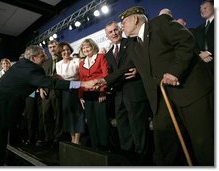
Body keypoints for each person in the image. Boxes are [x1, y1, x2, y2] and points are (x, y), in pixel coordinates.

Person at [98, 6, 213, 166]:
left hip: (190, 91)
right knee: (163, 143)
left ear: (135, 19)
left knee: (203, 142)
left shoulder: (160, 23)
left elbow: (186, 41)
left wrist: (175, 71)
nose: (121, 26)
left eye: (123, 22)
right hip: (163, 98)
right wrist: (104, 81)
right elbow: (125, 68)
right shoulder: (133, 44)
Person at [0, 45, 97, 165]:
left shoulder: (22, 64)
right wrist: (82, 84)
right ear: (33, 58)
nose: (45, 57)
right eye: (42, 55)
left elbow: (32, 79)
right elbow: (53, 84)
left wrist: (51, 78)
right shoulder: (33, 70)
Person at [104, 21, 152, 156]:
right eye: (110, 32)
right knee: (123, 130)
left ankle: (141, 160)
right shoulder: (108, 55)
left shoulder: (132, 42)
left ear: (120, 30)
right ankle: (127, 158)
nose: (114, 33)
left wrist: (137, 69)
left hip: (135, 93)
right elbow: (112, 74)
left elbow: (130, 65)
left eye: (115, 30)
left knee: (139, 129)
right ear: (107, 36)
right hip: (119, 96)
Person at [79, 38, 110, 150]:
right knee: (91, 122)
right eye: (84, 48)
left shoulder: (101, 57)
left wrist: (103, 91)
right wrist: (80, 96)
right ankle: (95, 146)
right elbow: (81, 80)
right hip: (87, 96)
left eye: (88, 47)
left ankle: (105, 146)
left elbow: (106, 75)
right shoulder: (81, 63)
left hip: (99, 93)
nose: (86, 49)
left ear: (93, 47)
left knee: (102, 121)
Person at [56, 42, 85, 144]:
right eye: (63, 50)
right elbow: (60, 80)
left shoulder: (77, 61)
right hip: (65, 92)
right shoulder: (58, 64)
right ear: (60, 52)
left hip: (77, 90)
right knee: (68, 115)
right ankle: (72, 138)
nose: (66, 52)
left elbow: (81, 77)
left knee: (78, 114)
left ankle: (77, 140)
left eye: (67, 49)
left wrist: (68, 82)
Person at [37, 40, 63, 146]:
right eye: (50, 47)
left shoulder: (63, 59)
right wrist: (41, 89)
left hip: (58, 91)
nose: (52, 49)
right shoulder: (45, 62)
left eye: (54, 46)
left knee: (58, 115)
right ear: (48, 49)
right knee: (46, 115)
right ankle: (49, 137)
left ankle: (58, 138)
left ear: (58, 47)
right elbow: (39, 77)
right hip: (46, 92)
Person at [193, 0, 214, 75]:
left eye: (205, 8)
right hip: (203, 66)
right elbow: (194, 44)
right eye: (201, 9)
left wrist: (209, 52)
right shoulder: (198, 29)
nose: (202, 11)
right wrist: (199, 54)